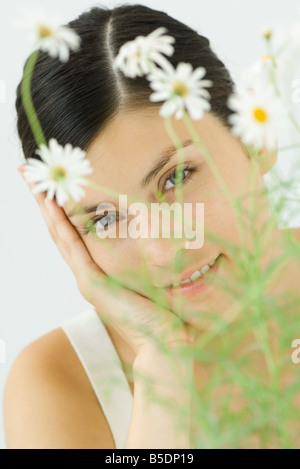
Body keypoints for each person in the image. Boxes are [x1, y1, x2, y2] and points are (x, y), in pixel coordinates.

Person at [4, 3, 300, 449]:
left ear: (255, 139)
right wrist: (166, 361)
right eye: (105, 218)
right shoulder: (57, 384)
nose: (164, 250)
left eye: (177, 178)